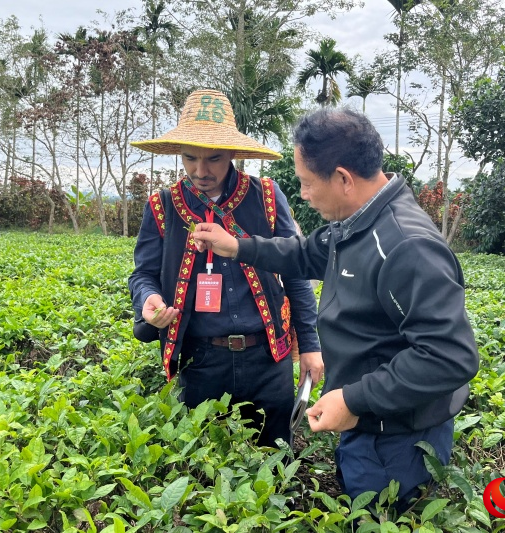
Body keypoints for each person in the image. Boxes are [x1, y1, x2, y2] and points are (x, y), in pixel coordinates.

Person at [192, 107, 479, 510]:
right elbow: (304, 254)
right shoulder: (355, 222)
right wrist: (237, 246)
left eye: (308, 183)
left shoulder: (405, 246)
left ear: (343, 178)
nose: (304, 194)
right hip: (367, 421)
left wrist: (353, 400)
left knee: (381, 517)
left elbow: (450, 357)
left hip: (397, 441)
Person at [128, 89, 323, 447]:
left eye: (214, 159)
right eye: (189, 158)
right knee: (203, 468)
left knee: (274, 457)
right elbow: (142, 274)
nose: (200, 171)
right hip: (201, 359)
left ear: (232, 153)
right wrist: (149, 297)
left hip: (268, 356)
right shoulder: (163, 205)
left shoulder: (265, 195)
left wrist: (310, 344)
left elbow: (295, 268)